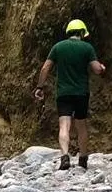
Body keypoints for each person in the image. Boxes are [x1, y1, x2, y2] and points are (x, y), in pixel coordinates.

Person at [33, 19, 106, 169]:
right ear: (81, 32)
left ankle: (65, 156)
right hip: (81, 93)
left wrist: (40, 87)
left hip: (63, 92)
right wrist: (102, 68)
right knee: (81, 125)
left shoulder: (58, 47)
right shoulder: (87, 48)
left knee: (64, 125)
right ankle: (83, 158)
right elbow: (97, 69)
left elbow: (45, 67)